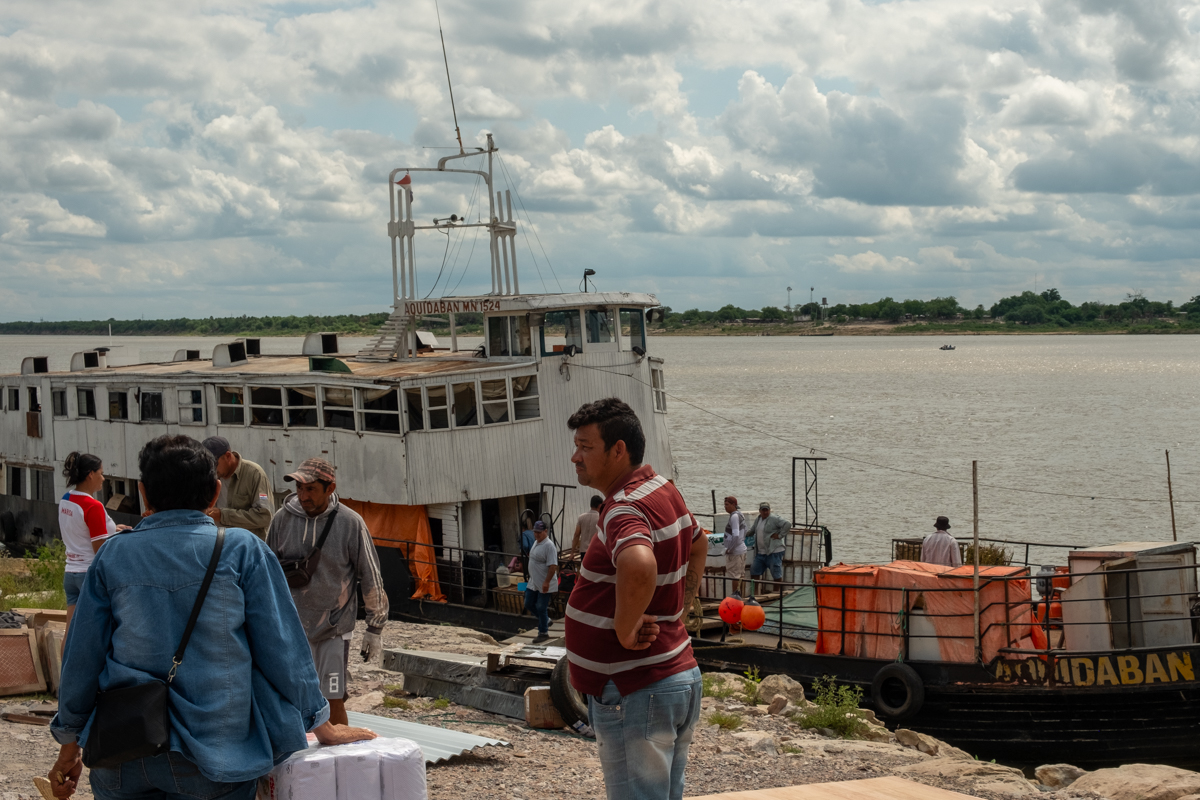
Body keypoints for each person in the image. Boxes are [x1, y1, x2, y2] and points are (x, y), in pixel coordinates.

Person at [48, 435, 373, 800]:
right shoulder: (242, 550)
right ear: (215, 492)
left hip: (123, 754)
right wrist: (322, 723)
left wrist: (70, 744)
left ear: (143, 492)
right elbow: (283, 649)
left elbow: (81, 657)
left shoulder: (112, 556)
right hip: (216, 756)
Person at [564, 397, 707, 800]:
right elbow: (699, 543)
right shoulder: (662, 488)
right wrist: (679, 605)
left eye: (586, 447)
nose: (575, 457)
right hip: (671, 677)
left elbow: (639, 563)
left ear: (618, 450)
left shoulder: (622, 508)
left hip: (635, 687)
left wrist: (625, 630)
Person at [266, 457, 389, 726]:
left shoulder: (350, 523)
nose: (303, 495)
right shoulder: (281, 520)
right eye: (299, 488)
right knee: (292, 696)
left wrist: (374, 628)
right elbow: (266, 572)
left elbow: (370, 574)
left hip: (334, 627)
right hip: (292, 627)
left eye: (310, 489)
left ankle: (341, 761)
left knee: (332, 698)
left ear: (329, 488)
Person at [57, 452, 131, 640]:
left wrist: (114, 529)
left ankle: (65, 669)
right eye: (101, 473)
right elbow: (100, 550)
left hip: (71, 573)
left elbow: (81, 529)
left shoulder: (66, 499)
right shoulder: (93, 506)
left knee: (71, 633)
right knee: (98, 635)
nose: (103, 478)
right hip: (89, 575)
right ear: (90, 474)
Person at [201, 436, 274, 539]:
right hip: (220, 547)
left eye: (214, 464)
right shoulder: (209, 475)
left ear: (228, 456)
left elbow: (264, 517)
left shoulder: (254, 474)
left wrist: (222, 515)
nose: (211, 469)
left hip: (248, 548)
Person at [524, 521, 559, 644]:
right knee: (528, 603)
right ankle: (546, 620)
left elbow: (553, 565)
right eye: (535, 532)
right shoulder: (536, 542)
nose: (536, 534)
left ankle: (543, 632)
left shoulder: (549, 546)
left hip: (544, 582)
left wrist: (547, 582)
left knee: (541, 607)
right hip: (533, 581)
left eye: (539, 532)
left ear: (545, 531)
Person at [748, 501, 789, 595]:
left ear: (770, 510)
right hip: (761, 552)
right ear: (760, 511)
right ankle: (754, 594)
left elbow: (787, 524)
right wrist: (743, 534)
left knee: (776, 572)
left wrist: (780, 535)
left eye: (767, 510)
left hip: (774, 550)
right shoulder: (758, 519)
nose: (765, 512)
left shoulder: (774, 518)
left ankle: (776, 593)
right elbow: (753, 530)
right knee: (754, 571)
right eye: (763, 510)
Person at [722, 496, 747, 598]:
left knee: (735, 577)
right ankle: (741, 596)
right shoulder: (740, 515)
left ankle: (735, 599)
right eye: (724, 505)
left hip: (735, 552)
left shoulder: (734, 517)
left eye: (727, 505)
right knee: (741, 575)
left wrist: (729, 549)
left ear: (733, 505)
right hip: (742, 549)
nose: (725, 507)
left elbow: (735, 535)